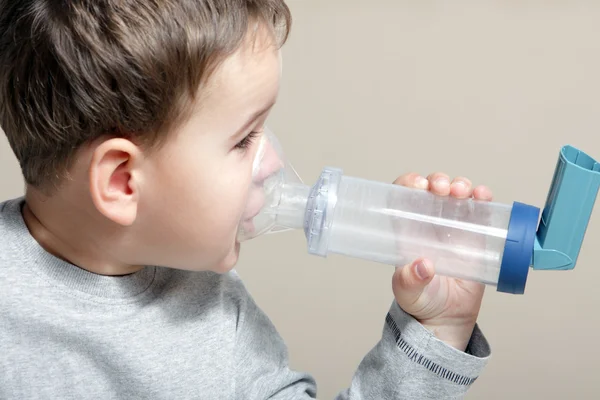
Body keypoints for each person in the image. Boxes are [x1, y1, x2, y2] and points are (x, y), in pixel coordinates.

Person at [0, 1, 492, 398]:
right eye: (243, 140)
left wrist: (435, 331)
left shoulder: (217, 314)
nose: (273, 162)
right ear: (123, 182)